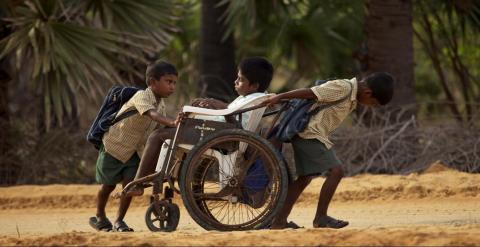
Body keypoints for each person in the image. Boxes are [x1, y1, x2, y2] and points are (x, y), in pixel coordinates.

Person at [262, 72, 394, 229]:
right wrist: (279, 97)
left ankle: (278, 222)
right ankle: (321, 218)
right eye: (372, 103)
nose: (370, 106)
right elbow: (311, 92)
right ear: (368, 93)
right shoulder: (344, 87)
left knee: (305, 178)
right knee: (336, 171)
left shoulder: (351, 95)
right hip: (309, 133)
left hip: (312, 134)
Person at [126, 56, 274, 197]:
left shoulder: (250, 98)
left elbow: (233, 120)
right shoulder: (254, 97)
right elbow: (233, 113)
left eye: (240, 79)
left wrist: (214, 106)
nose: (235, 81)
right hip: (219, 133)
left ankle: (138, 184)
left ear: (254, 85)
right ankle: (157, 175)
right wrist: (213, 104)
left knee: (157, 136)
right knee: (166, 132)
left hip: (219, 136)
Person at [89, 60, 181, 232]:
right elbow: (151, 115)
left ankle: (119, 221)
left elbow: (160, 126)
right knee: (107, 186)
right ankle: (100, 216)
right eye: (169, 82)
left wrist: (179, 122)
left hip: (135, 152)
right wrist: (172, 122)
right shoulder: (141, 97)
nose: (172, 87)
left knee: (129, 185)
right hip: (114, 147)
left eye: (174, 83)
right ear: (153, 82)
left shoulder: (161, 104)